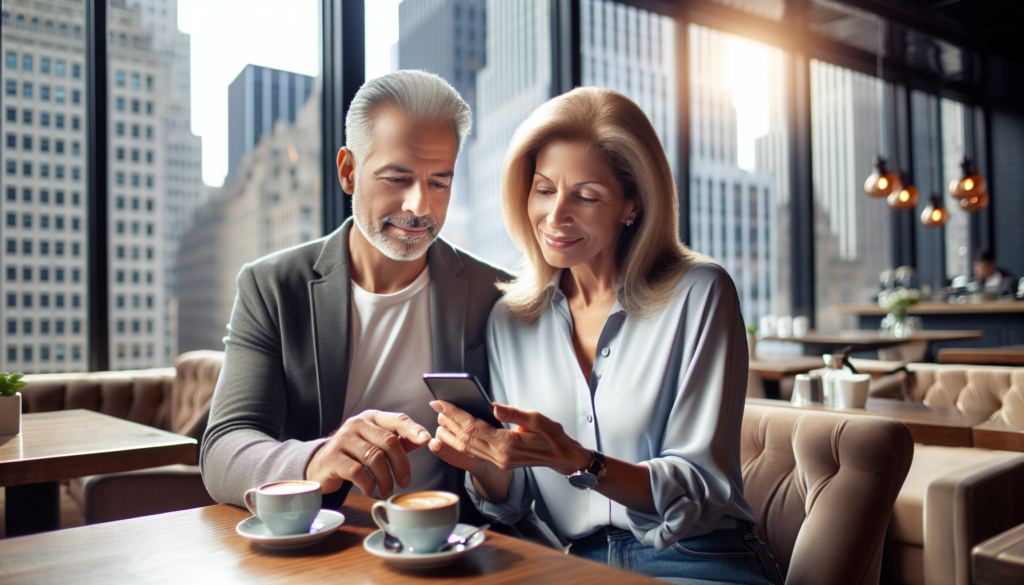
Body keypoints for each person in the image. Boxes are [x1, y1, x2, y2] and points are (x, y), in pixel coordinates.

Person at [427, 87, 784, 584]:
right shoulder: (510, 319)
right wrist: (484, 461)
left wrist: (578, 459)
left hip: (697, 556)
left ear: (632, 204)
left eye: (586, 196)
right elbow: (514, 504)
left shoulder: (700, 293)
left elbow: (700, 489)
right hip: (573, 564)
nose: (554, 217)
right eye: (544, 189)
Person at [200, 71, 512, 523]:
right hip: (324, 543)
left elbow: (514, 482)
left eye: (439, 182)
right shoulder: (271, 287)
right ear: (349, 171)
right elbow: (224, 447)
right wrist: (318, 460)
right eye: (397, 178)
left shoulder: (493, 294)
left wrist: (486, 463)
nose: (420, 206)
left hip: (448, 547)